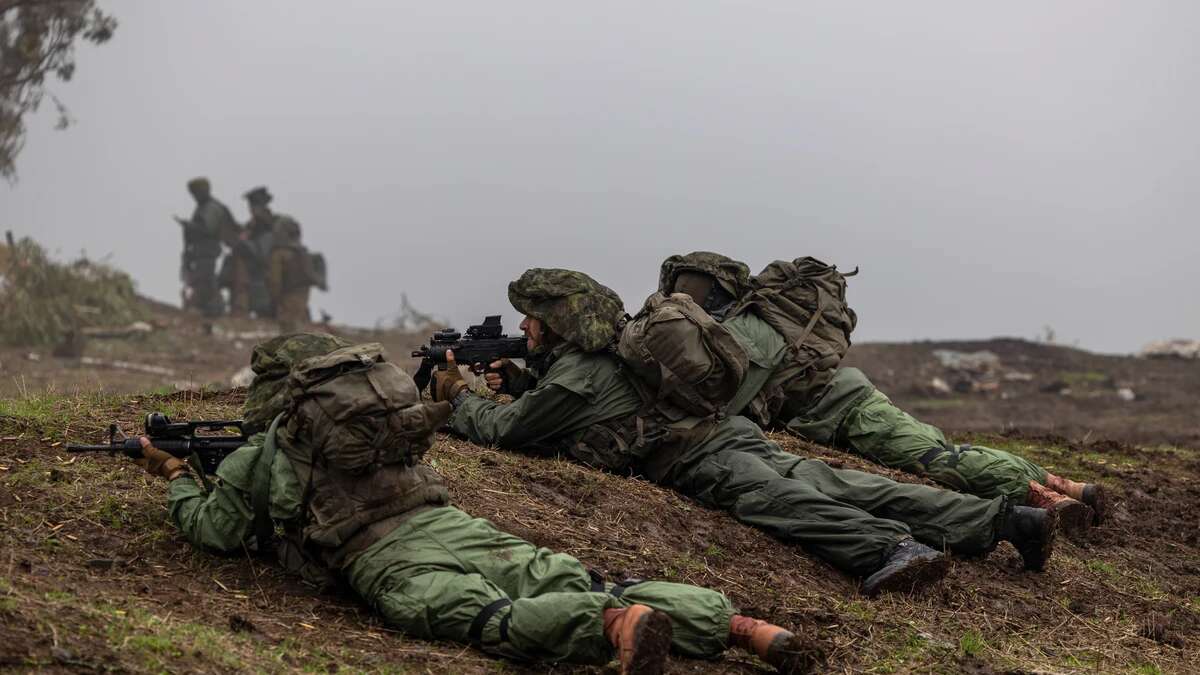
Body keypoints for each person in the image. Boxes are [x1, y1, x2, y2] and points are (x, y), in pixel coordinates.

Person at [134, 333, 821, 675]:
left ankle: (612, 626)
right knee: (569, 573)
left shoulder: (275, 444)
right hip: (453, 522)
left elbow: (217, 528)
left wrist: (175, 475)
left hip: (383, 557)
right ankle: (739, 627)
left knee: (486, 613)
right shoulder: (374, 415)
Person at [434, 269, 1057, 597]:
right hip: (726, 431)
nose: (524, 324)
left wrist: (459, 395)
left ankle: (889, 550)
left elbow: (508, 433)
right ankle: (999, 521)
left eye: (534, 316)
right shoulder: (609, 350)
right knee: (841, 482)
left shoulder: (576, 374)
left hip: (700, 457)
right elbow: (577, 408)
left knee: (777, 500)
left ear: (558, 321)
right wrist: (520, 381)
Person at [656, 252, 1107, 533]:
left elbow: (732, 403)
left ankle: (1045, 496)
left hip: (846, 412)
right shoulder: (765, 319)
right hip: (852, 398)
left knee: (935, 460)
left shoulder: (745, 333)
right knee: (940, 448)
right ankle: (1064, 485)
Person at [175, 177, 239, 317]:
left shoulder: (211, 207)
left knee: (204, 281)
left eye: (196, 193)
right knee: (202, 280)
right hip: (201, 252)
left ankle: (210, 310)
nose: (194, 196)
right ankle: (208, 308)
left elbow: (208, 229)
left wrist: (189, 226)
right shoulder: (204, 206)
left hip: (207, 252)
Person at [267, 216, 314, 329]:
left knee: (288, 333)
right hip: (303, 299)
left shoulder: (279, 254)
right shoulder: (303, 254)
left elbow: (275, 281)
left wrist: (274, 300)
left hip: (287, 299)